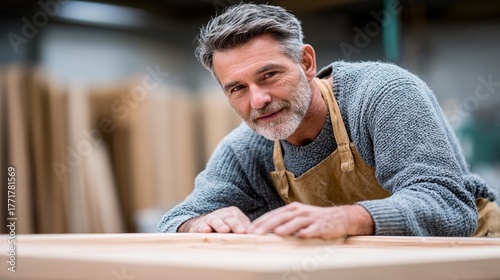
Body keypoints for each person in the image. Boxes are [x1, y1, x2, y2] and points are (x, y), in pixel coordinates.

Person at [158, 3, 500, 238]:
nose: (258, 100)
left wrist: (346, 217)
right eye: (237, 88)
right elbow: (173, 221)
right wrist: (199, 224)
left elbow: (446, 204)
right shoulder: (243, 151)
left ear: (306, 62)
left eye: (269, 75)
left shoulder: (383, 95)